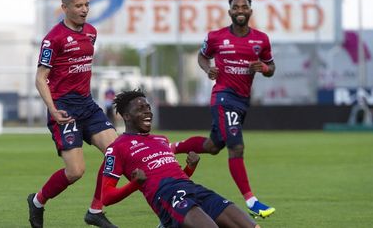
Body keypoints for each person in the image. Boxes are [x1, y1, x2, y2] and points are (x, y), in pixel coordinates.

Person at [170, 0, 276, 218]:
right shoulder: (216, 37)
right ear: (229, 12)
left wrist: (264, 69)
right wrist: (209, 69)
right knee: (236, 146)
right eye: (235, 7)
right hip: (223, 98)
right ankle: (252, 201)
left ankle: (173, 148)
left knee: (212, 146)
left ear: (250, 11)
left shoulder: (261, 40)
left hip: (242, 101)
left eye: (244, 7)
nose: (240, 10)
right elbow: (202, 56)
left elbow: (271, 67)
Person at [27, 0, 118, 227]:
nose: (85, 9)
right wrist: (53, 110)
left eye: (87, 4)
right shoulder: (53, 38)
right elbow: (40, 78)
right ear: (65, 8)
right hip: (64, 109)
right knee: (76, 171)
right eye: (79, 6)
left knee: (118, 153)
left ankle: (95, 211)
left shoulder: (91, 32)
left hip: (87, 105)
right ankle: (37, 201)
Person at [101, 89, 260, 228]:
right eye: (140, 109)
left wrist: (189, 169)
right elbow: (106, 197)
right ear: (127, 116)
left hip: (193, 189)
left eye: (148, 107)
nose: (147, 111)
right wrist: (135, 184)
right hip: (167, 196)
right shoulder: (117, 148)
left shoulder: (161, 139)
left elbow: (172, 175)